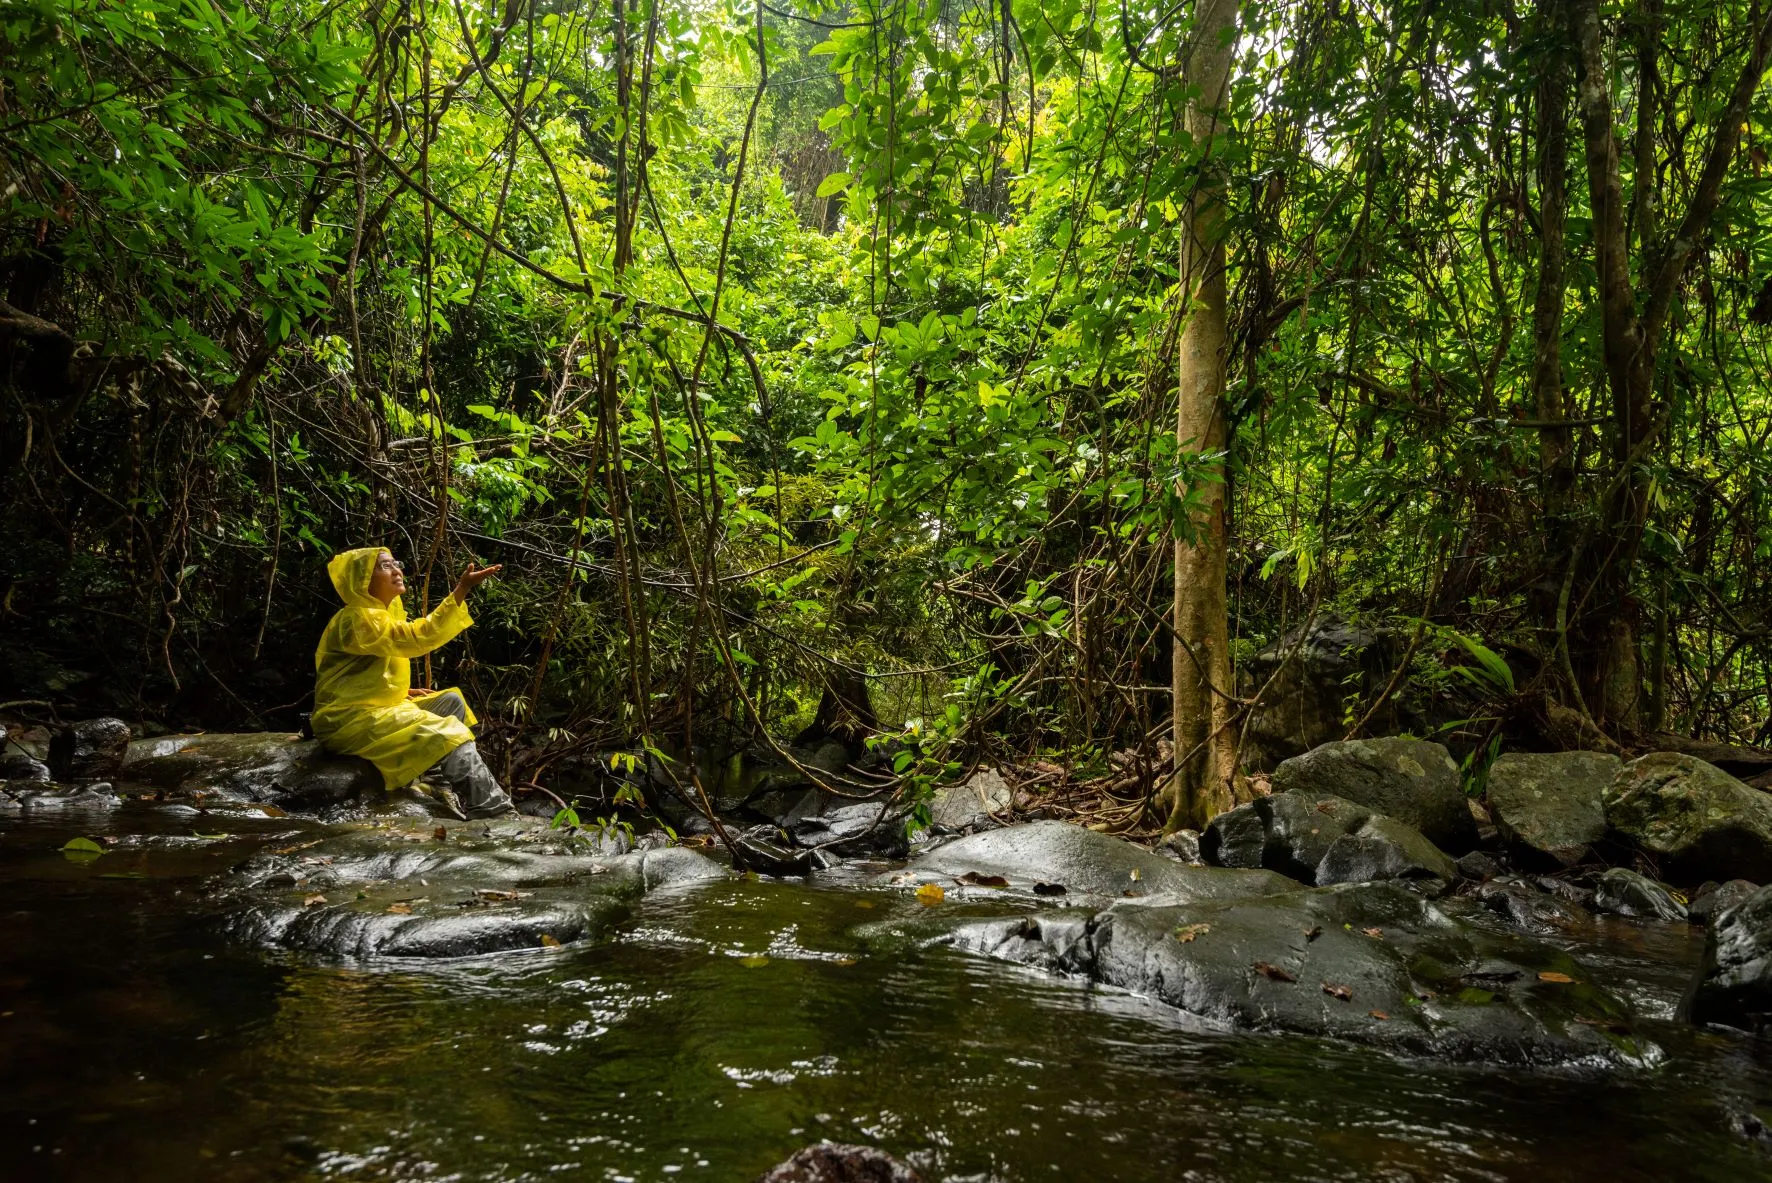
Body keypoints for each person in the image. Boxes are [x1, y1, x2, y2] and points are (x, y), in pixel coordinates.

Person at [312, 546, 516, 820]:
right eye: (385, 566)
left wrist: (400, 691)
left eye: (396, 564)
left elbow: (359, 671)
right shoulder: (359, 618)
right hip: (349, 719)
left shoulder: (376, 616)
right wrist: (461, 590)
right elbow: (416, 638)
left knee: (450, 702)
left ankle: (433, 781)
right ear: (361, 579)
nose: (397, 571)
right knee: (448, 733)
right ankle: (495, 813)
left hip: (374, 708)